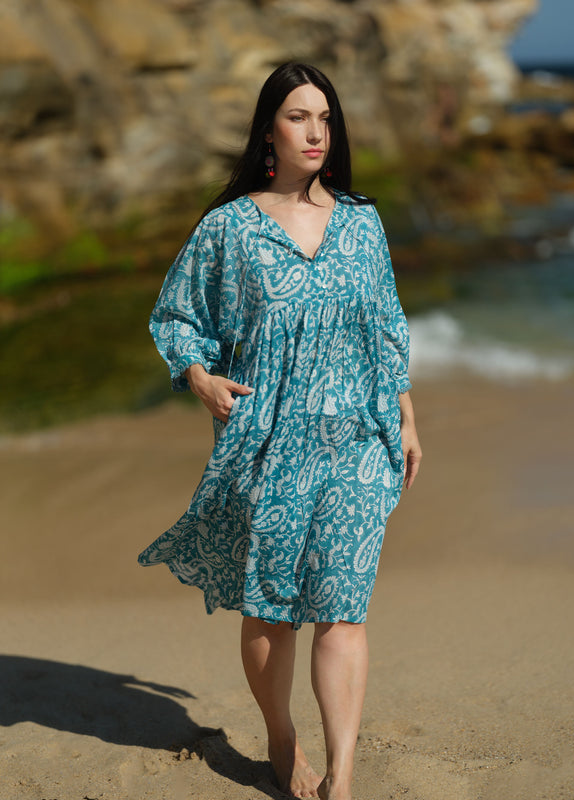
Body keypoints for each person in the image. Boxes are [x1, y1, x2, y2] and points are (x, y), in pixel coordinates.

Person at [138, 62, 422, 800]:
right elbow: (177, 316)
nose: (316, 132)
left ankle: (343, 778)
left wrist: (406, 417)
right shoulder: (229, 228)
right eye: (299, 117)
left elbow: (387, 325)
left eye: (325, 118)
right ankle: (281, 738)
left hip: (358, 438)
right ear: (269, 130)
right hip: (268, 444)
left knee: (342, 610)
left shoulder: (361, 221)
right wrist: (198, 378)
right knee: (271, 610)